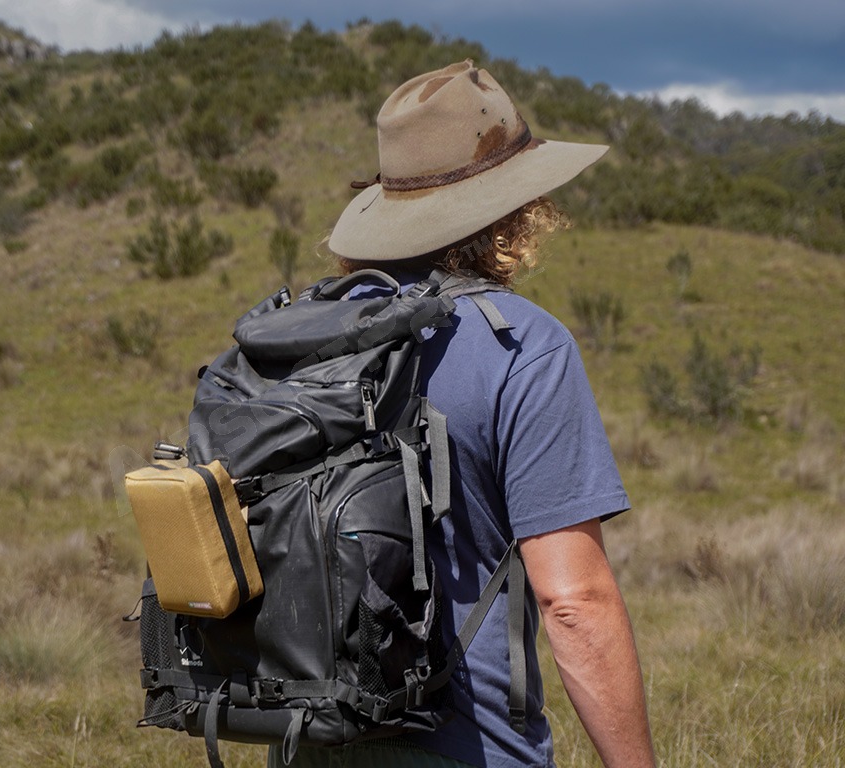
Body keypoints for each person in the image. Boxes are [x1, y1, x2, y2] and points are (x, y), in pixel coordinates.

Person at [275, 61, 655, 767]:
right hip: (470, 748)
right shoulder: (524, 346)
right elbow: (573, 603)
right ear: (514, 211)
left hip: (310, 738)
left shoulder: (308, 334)